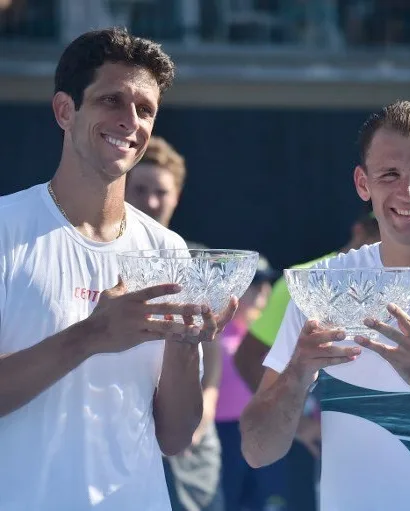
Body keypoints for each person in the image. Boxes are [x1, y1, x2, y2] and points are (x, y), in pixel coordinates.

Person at [0, 27, 236, 511]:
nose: (130, 121)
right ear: (65, 110)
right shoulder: (6, 228)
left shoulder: (167, 247)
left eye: (145, 109)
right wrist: (90, 336)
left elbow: (174, 436)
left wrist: (183, 346)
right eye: (112, 100)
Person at [240, 100, 410, 511]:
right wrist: (297, 372)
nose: (409, 191)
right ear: (363, 184)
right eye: (390, 175)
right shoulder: (324, 287)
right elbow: (258, 450)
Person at [234, 210, 380, 511]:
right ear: (358, 230)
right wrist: (300, 426)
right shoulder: (302, 282)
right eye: (374, 239)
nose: (378, 252)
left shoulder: (402, 282)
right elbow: (247, 356)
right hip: (305, 448)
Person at [126, 137, 224, 511]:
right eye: (140, 189)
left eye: (160, 192)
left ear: (176, 197)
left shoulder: (196, 262)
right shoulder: (103, 257)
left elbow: (210, 347)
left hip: (190, 427)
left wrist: (207, 411)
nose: (150, 201)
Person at [215, 256, 287, 511]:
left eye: (266, 283)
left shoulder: (271, 330)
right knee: (227, 500)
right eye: (254, 283)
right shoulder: (214, 329)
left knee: (263, 502)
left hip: (260, 427)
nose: (263, 290)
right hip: (221, 431)